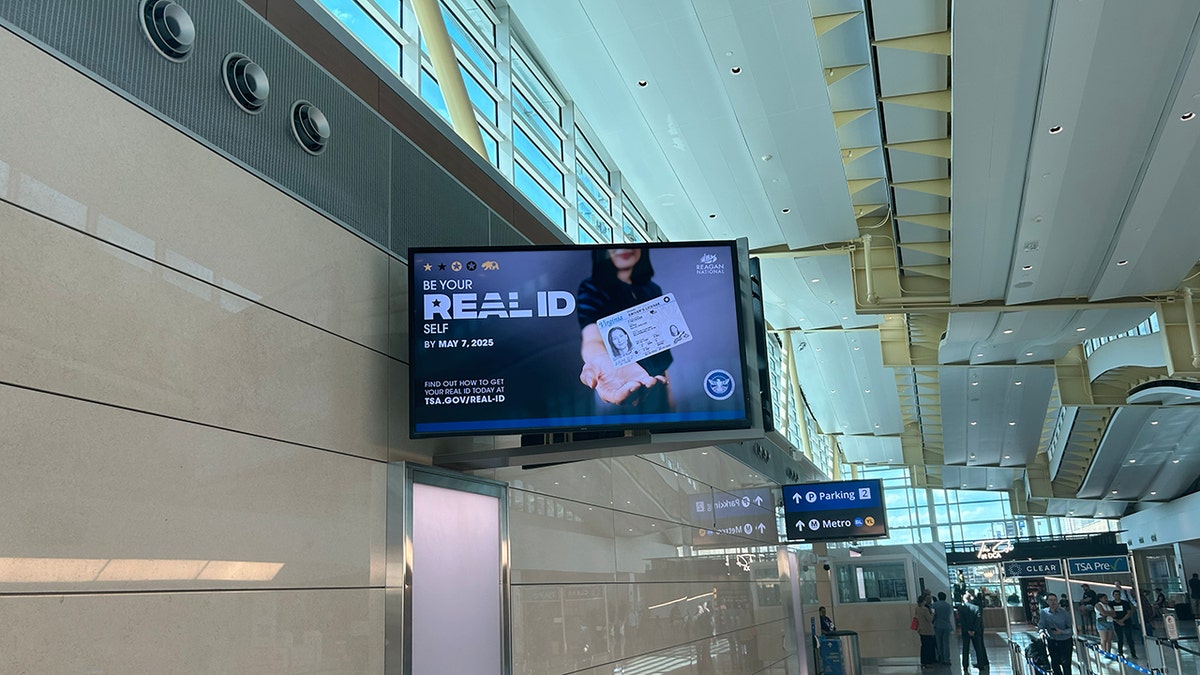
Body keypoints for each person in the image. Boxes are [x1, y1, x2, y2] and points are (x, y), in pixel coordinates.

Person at [577, 248, 672, 408]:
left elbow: (660, 345)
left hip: (657, 383)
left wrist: (669, 393)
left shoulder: (652, 289)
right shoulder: (592, 287)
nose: (624, 250)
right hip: (615, 384)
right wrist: (600, 360)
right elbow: (591, 338)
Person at [1038, 593, 1074, 675]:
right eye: (1051, 600)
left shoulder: (1064, 613)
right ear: (1047, 601)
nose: (1053, 602)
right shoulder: (1044, 612)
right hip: (1052, 641)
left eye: (1055, 600)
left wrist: (1061, 632)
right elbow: (1041, 625)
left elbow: (1071, 629)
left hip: (1065, 641)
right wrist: (1041, 632)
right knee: (1055, 663)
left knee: (1066, 664)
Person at [958, 590, 989, 670]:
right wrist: (974, 630)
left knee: (965, 648)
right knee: (978, 648)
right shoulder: (976, 608)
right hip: (976, 631)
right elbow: (978, 619)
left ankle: (965, 666)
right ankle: (981, 664)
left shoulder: (961, 608)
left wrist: (968, 630)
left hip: (965, 631)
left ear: (964, 599)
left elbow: (962, 621)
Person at [1110, 588, 1137, 659]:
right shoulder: (1111, 604)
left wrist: (1122, 620)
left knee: (1129, 638)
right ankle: (1120, 652)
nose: (1117, 596)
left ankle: (1133, 653)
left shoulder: (1125, 603)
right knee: (1119, 638)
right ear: (1113, 596)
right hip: (1117, 622)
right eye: (1115, 595)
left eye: (1118, 595)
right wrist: (1117, 621)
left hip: (1126, 622)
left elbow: (1129, 612)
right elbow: (1110, 614)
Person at [932, 591, 954, 665]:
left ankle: (941, 658)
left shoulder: (934, 605)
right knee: (946, 643)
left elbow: (933, 615)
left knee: (939, 643)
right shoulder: (948, 606)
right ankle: (947, 659)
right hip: (947, 626)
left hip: (938, 625)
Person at [916, 595, 937, 668]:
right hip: (927, 630)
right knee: (928, 646)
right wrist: (933, 613)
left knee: (923, 646)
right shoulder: (924, 609)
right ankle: (928, 662)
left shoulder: (917, 608)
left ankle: (923, 661)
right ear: (923, 601)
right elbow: (930, 619)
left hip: (921, 629)